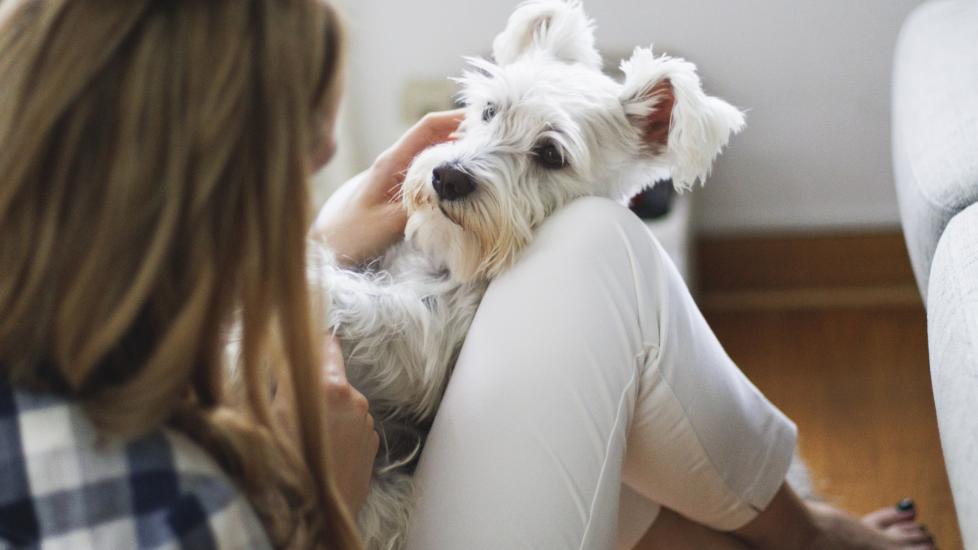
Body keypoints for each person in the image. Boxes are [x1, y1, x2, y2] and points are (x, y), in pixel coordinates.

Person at [0, 1, 935, 549]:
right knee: (605, 255)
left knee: (616, 381)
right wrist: (317, 495)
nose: (323, 162)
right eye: (294, 161)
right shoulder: (166, 508)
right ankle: (810, 536)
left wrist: (321, 245)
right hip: (347, 511)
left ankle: (800, 532)